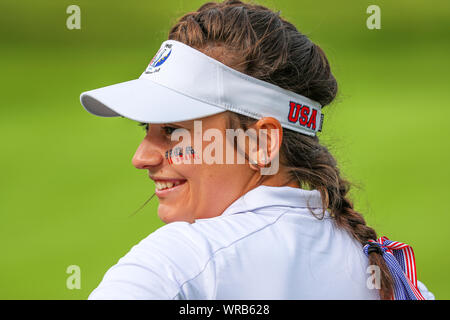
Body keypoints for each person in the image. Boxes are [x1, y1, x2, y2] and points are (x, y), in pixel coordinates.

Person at [80, 0, 434, 300]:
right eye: (148, 129)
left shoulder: (174, 265)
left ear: (262, 142)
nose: (141, 157)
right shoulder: (392, 275)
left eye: (174, 130)